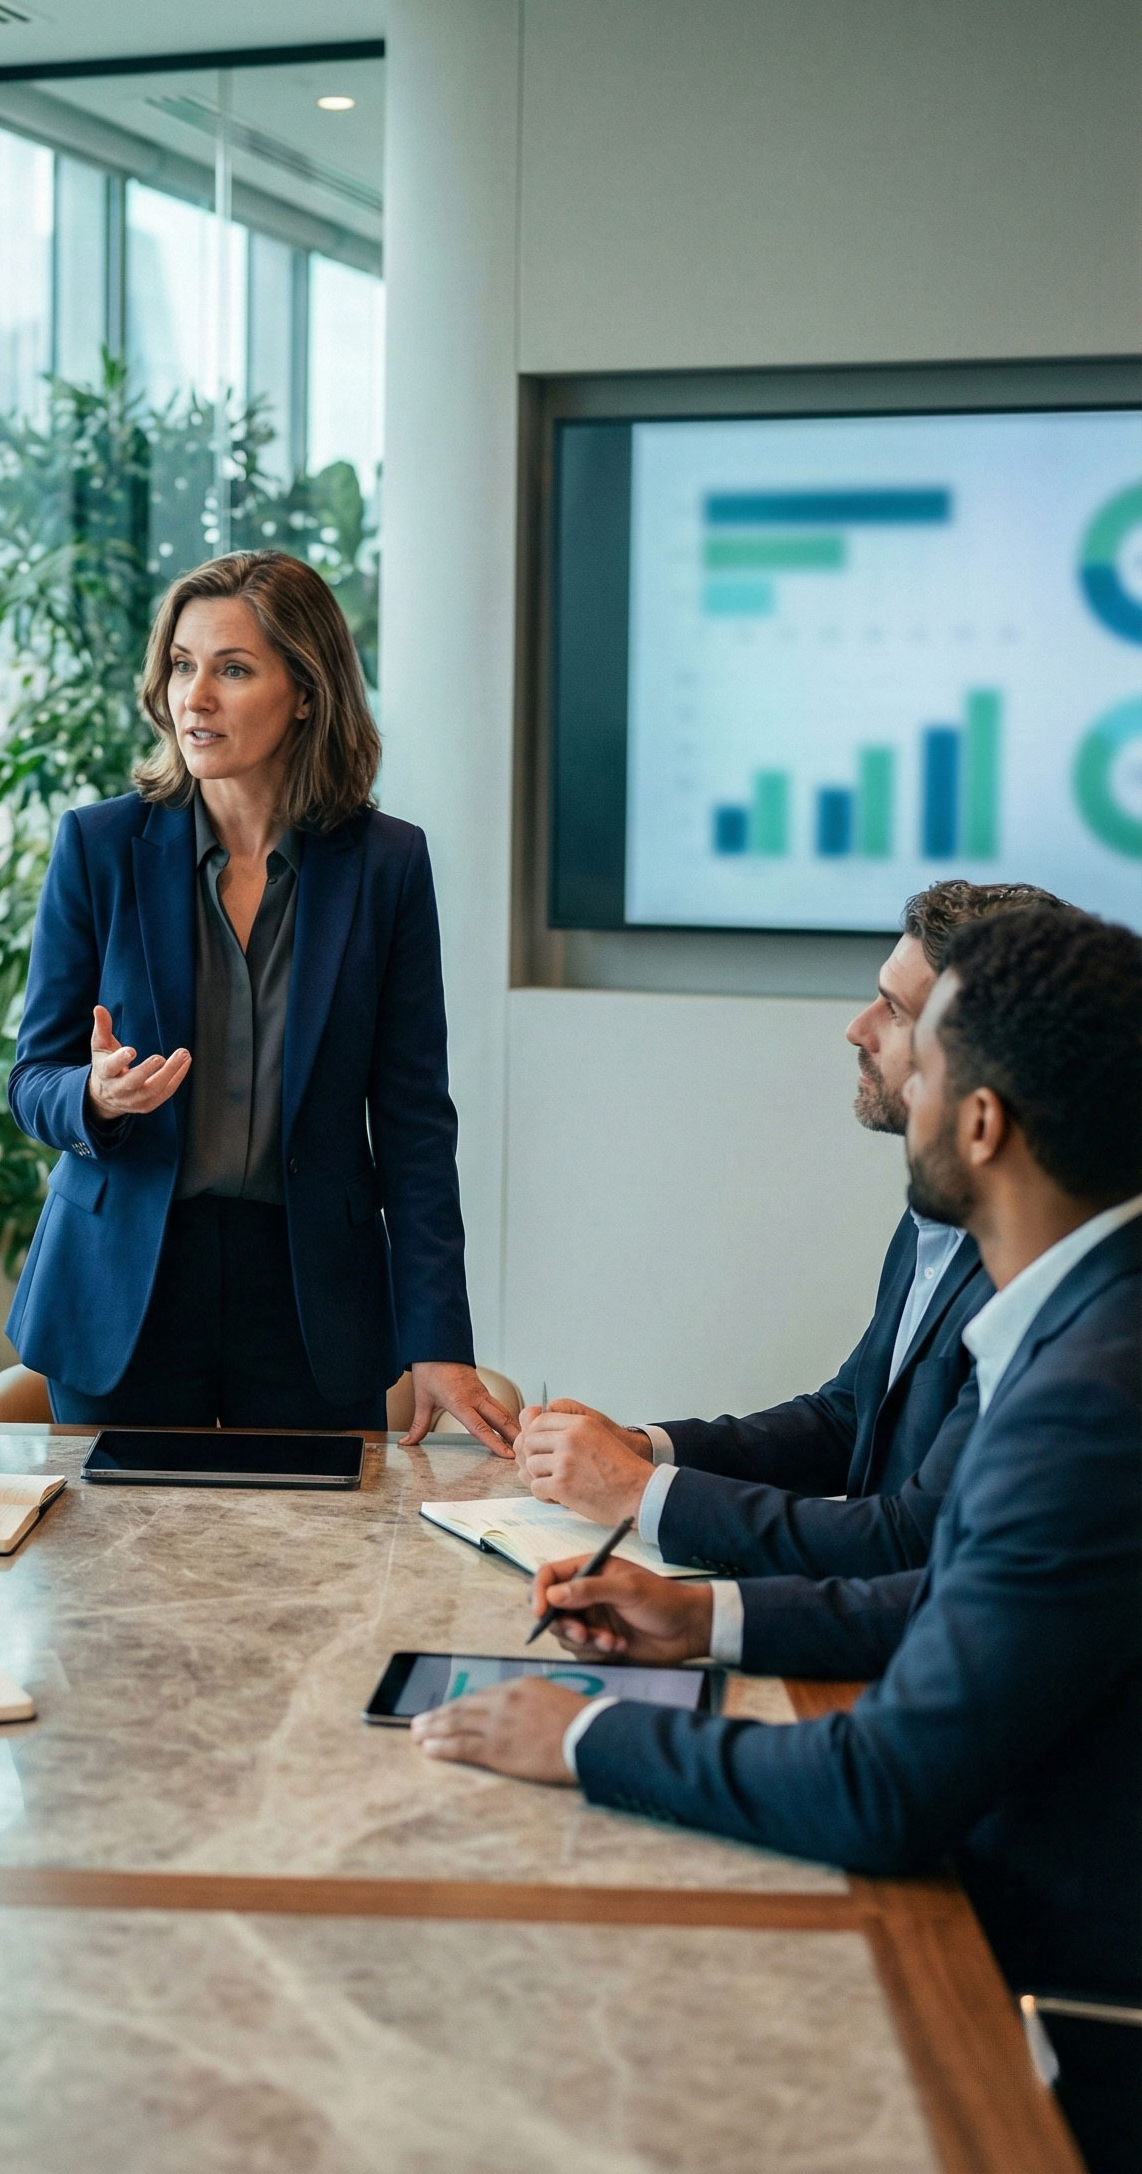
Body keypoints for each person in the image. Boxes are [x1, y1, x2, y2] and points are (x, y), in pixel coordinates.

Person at [411, 904, 1142, 2174]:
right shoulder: (1089, 1320)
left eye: (926, 1057)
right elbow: (962, 1602)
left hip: (1049, 2000)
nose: (895, 1075)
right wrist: (704, 1618)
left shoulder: (1085, 1396)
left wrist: (578, 1733)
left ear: (978, 1125)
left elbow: (880, 1789)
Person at [6, 549, 513, 1450]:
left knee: (311, 1582)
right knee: (117, 1583)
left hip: (310, 1290)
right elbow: (31, 1079)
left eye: (232, 670)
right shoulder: (98, 846)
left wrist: (436, 1334)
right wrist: (94, 1096)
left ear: (307, 691)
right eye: (181, 665)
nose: (194, 697)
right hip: (127, 1280)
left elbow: (413, 1122)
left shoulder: (387, 866)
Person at [518, 879, 1065, 1577]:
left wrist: (636, 1494)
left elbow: (912, 1541)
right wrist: (641, 1448)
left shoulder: (1034, 1269)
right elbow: (848, 1417)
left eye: (894, 1012)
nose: (857, 1027)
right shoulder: (935, 1212)